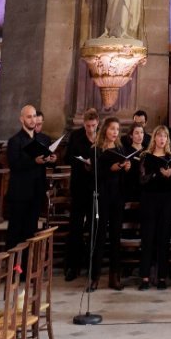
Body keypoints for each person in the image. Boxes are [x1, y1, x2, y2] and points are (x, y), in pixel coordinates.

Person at [5, 103, 56, 252]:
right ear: (22, 119)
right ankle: (14, 269)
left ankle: (26, 270)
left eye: (34, 116)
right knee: (16, 232)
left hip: (36, 192)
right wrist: (34, 161)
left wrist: (52, 160)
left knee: (30, 231)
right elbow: (14, 165)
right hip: (20, 193)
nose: (33, 120)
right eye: (29, 117)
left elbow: (49, 165)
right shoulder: (15, 141)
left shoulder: (43, 139)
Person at [139, 125, 171, 290]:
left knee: (163, 237)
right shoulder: (145, 157)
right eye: (159, 136)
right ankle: (145, 278)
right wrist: (156, 174)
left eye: (165, 137)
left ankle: (162, 277)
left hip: (166, 199)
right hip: (149, 199)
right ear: (154, 137)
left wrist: (170, 176)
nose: (162, 139)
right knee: (147, 238)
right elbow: (142, 180)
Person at [64, 107, 100, 281]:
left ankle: (92, 265)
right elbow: (67, 157)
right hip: (79, 185)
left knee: (94, 227)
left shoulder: (101, 136)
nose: (91, 129)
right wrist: (82, 162)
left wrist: (93, 164)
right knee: (76, 228)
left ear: (98, 123)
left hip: (96, 187)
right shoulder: (76, 136)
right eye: (87, 125)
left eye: (93, 125)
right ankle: (72, 266)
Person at [92, 115, 126, 290]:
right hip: (102, 195)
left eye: (117, 130)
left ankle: (114, 277)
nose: (115, 132)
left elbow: (124, 176)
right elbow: (95, 175)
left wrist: (126, 168)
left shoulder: (120, 149)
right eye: (112, 128)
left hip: (117, 197)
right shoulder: (97, 149)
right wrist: (110, 169)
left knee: (115, 237)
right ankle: (95, 277)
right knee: (99, 237)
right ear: (105, 129)